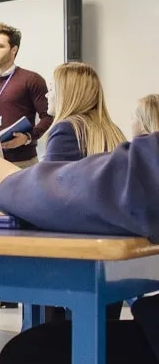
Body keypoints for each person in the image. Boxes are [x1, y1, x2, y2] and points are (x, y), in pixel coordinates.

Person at [0, 132, 159, 364]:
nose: (49, 97)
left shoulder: (65, 130)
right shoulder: (108, 128)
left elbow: (140, 182)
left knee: (27, 363)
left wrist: (10, 185)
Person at [40, 62, 126, 322]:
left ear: (68, 92)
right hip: (109, 253)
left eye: (52, 88)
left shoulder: (66, 129)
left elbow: (45, 191)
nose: (47, 95)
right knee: (102, 328)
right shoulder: (112, 131)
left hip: (71, 253)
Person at [0, 22, 53, 169]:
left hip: (22, 162)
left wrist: (28, 137)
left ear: (13, 50)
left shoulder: (32, 79)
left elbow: (48, 116)